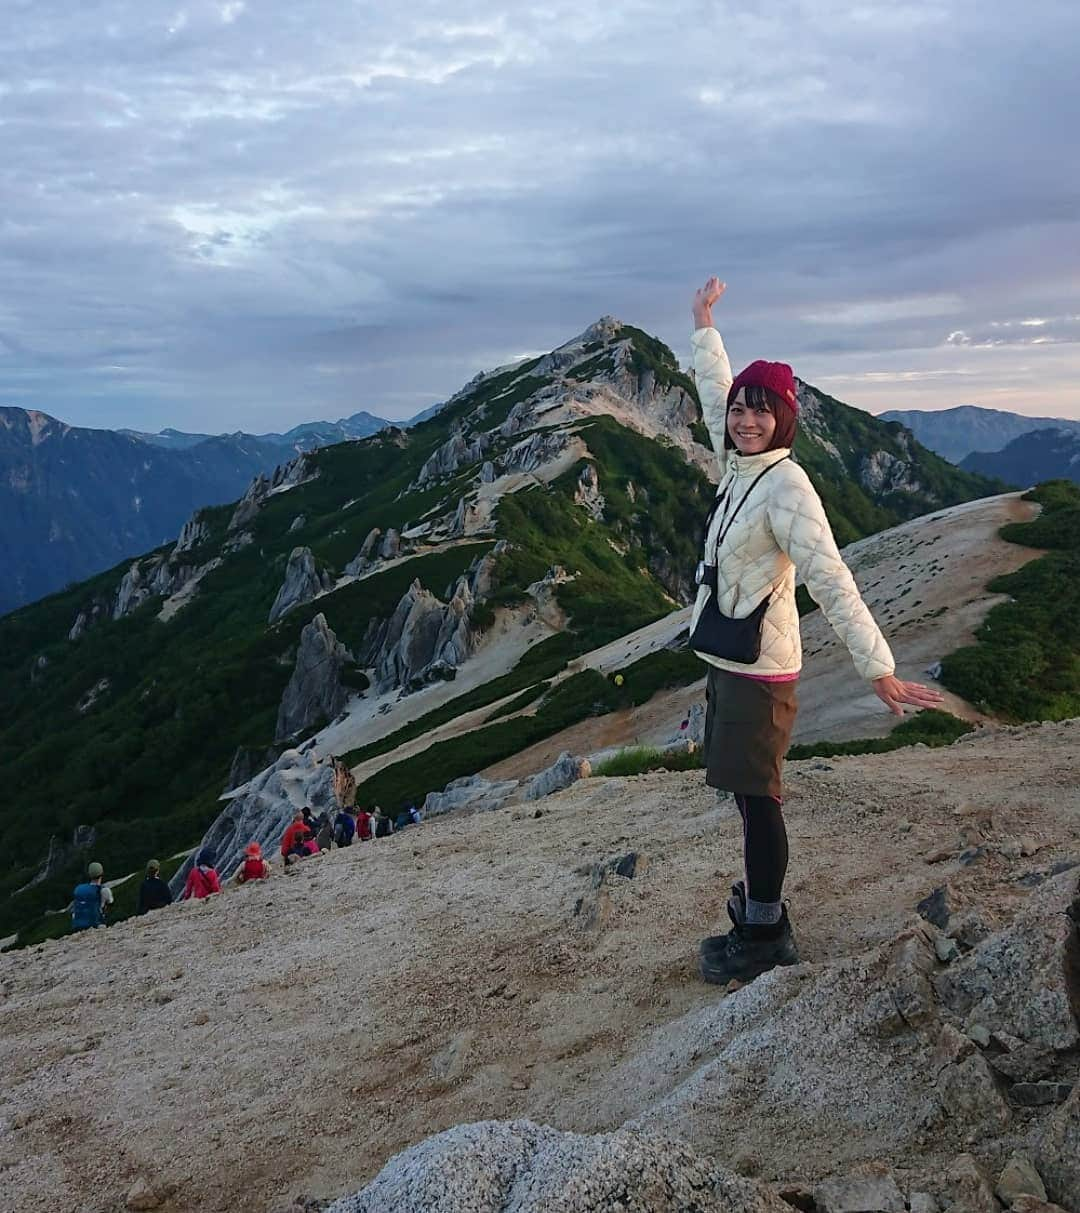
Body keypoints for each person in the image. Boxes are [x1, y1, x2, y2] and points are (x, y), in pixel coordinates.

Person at [689, 276, 943, 986]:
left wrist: (877, 667)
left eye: (759, 411)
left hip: (761, 669)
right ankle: (758, 917)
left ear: (784, 420)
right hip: (731, 656)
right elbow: (715, 395)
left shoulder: (786, 485)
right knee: (748, 796)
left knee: (761, 798)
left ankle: (767, 931)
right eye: (742, 408)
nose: (744, 419)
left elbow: (830, 576)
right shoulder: (740, 466)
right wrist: (704, 324)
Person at [71, 861, 108, 931]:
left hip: (77, 926)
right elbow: (111, 902)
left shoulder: (79, 888)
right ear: (102, 873)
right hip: (97, 925)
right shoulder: (103, 890)